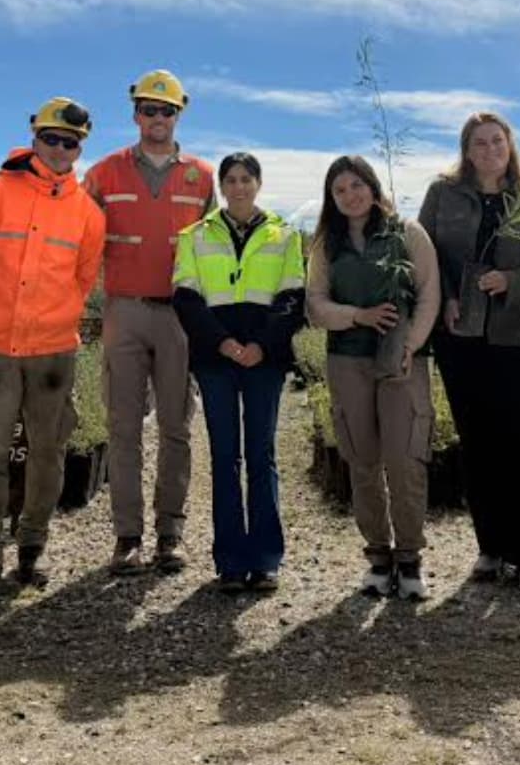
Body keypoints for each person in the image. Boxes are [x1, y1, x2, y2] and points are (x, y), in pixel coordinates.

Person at [0, 98, 106, 607]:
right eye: (51, 139)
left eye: (71, 143)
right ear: (34, 137)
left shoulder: (88, 214)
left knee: (49, 453)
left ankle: (32, 548)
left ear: (81, 148)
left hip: (52, 353)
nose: (60, 149)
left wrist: (52, 319)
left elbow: (83, 280)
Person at [417, 112, 520, 596]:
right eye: (479, 142)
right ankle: (491, 547)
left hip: (509, 334)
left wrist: (511, 280)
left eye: (497, 141)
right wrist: (446, 297)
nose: (489, 149)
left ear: (509, 145)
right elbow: (422, 254)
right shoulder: (443, 194)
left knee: (516, 442)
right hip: (457, 332)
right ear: (466, 149)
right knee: (475, 441)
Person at [83, 70, 216, 575]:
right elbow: (74, 231)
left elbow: (215, 248)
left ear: (180, 114)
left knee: (176, 427)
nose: (157, 117)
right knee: (123, 428)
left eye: (167, 110)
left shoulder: (202, 176)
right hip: (124, 311)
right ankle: (127, 537)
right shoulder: (104, 173)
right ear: (135, 113)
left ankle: (170, 534)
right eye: (148, 109)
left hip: (180, 314)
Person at [171, 153, 306, 594]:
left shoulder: (285, 235)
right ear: (221, 186)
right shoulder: (194, 236)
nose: (239, 187)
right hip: (216, 359)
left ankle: (265, 560)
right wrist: (225, 343)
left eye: (247, 179)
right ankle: (230, 561)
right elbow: (187, 297)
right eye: (231, 179)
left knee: (262, 455)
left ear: (258, 183)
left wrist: (261, 346)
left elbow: (292, 298)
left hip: (264, 360)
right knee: (224, 457)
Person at [305, 155, 439, 599]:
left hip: (400, 360)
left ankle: (410, 557)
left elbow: (429, 293)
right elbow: (316, 305)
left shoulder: (406, 233)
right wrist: (357, 315)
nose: (350, 195)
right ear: (331, 198)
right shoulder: (327, 245)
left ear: (373, 185)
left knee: (405, 458)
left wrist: (410, 344)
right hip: (348, 360)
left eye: (356, 185)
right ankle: (378, 556)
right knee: (362, 458)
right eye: (339, 190)